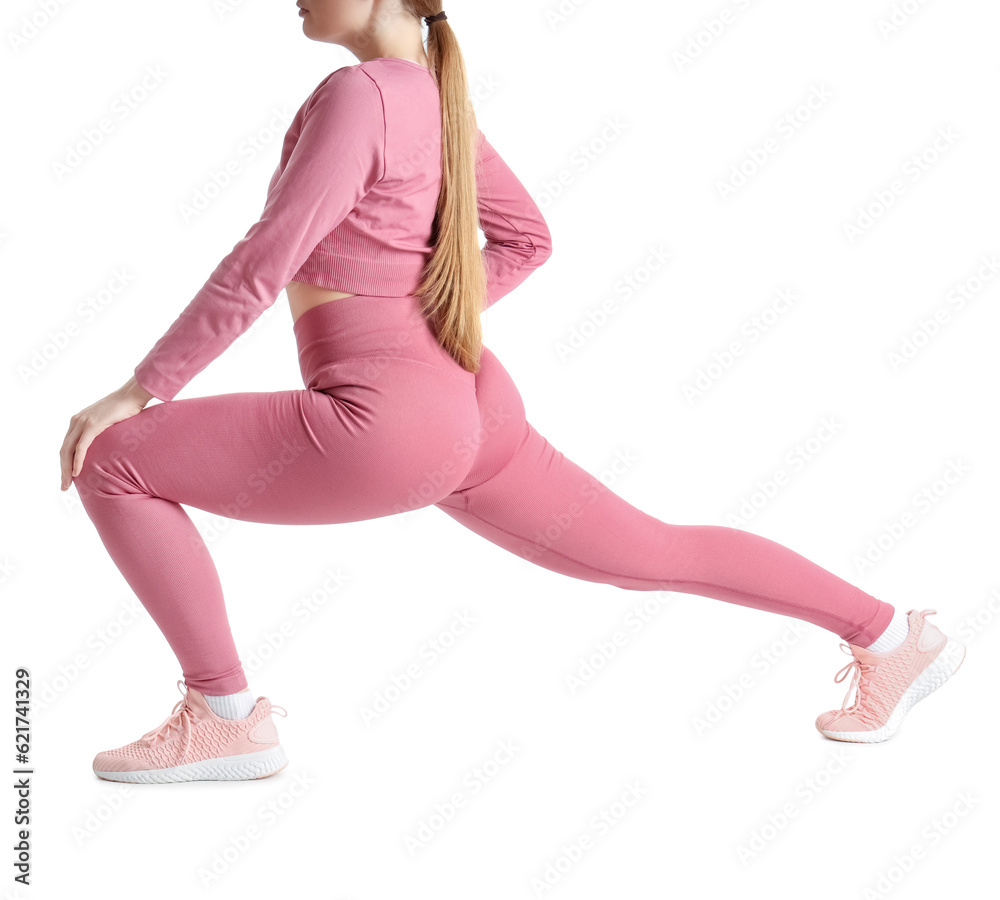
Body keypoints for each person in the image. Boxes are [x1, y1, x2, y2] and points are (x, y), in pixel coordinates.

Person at [59, 2, 966, 785]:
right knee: (653, 548)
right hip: (468, 405)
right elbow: (527, 238)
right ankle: (891, 636)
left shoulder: (362, 94)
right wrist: (428, 322)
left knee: (111, 460)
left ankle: (223, 713)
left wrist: (141, 390)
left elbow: (271, 256)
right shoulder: (434, 98)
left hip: (388, 421)